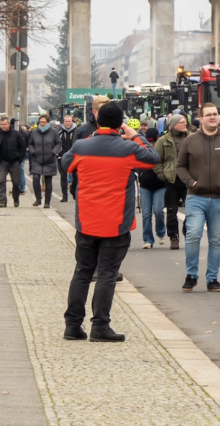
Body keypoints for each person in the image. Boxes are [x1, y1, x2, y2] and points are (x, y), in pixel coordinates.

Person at [61, 101, 158, 342]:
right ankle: (100, 326)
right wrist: (135, 135)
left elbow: (66, 164)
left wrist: (92, 138)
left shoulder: (82, 146)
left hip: (87, 221)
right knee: (107, 274)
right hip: (116, 223)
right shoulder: (128, 148)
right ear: (120, 124)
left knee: (82, 273)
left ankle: (72, 325)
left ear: (97, 121)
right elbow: (152, 158)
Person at [176, 102, 220, 292]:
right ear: (201, 118)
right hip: (195, 197)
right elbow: (180, 166)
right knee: (193, 235)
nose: (213, 117)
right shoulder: (190, 140)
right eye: (208, 115)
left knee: (216, 239)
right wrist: (191, 182)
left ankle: (212, 279)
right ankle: (191, 275)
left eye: (215, 114)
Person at [155, 114, 188, 249]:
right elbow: (156, 160)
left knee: (192, 209)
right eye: (181, 122)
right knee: (171, 211)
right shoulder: (163, 141)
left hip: (188, 180)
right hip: (172, 180)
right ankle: (173, 237)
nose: (185, 124)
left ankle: (187, 229)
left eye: (185, 122)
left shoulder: (191, 138)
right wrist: (163, 176)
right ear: (173, 125)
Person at [138, 125, 166, 248]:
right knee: (146, 214)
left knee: (159, 210)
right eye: (149, 142)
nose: (152, 144)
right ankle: (148, 239)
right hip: (145, 185)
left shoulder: (162, 148)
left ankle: (161, 232)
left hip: (160, 184)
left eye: (154, 141)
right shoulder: (142, 149)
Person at [27, 113, 63, 209]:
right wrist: (32, 151)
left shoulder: (53, 132)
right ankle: (38, 199)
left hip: (49, 159)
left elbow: (59, 143)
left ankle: (47, 202)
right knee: (35, 178)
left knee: (48, 180)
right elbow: (30, 144)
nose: (42, 124)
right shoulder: (34, 132)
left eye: (44, 122)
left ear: (47, 122)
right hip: (37, 158)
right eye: (40, 122)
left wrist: (54, 152)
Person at [0, 116, 27, 208]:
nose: (3, 126)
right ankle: (2, 201)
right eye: (1, 124)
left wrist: (20, 159)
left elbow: (22, 147)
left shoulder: (16, 134)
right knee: (1, 180)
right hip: (2, 161)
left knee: (16, 182)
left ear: (9, 124)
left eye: (5, 124)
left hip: (14, 161)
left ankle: (16, 197)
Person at [58, 114, 77, 203]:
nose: (68, 123)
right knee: (63, 177)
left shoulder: (76, 132)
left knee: (75, 176)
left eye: (69, 121)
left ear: (72, 121)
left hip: (74, 157)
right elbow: (56, 144)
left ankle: (75, 194)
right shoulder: (59, 133)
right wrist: (58, 154)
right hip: (62, 157)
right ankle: (64, 196)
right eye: (66, 121)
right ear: (63, 122)